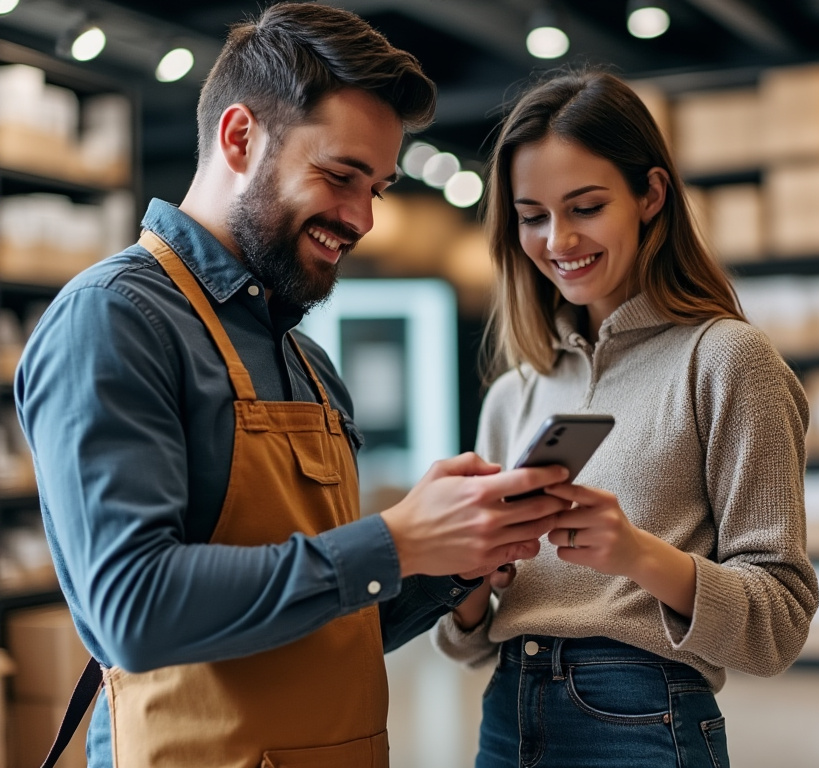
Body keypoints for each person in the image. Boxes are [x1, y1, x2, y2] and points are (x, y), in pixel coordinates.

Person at [14, 5, 571, 767]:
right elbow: (131, 609)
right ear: (240, 137)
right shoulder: (115, 320)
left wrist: (441, 562)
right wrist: (393, 538)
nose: (362, 218)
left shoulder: (309, 363)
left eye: (377, 186)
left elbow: (331, 622)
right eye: (341, 176)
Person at [431, 68, 819, 768]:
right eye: (532, 216)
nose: (558, 240)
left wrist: (636, 554)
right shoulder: (514, 393)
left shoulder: (728, 359)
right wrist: (467, 579)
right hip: (506, 715)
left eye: (585, 206)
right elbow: (469, 637)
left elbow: (779, 622)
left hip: (640, 718)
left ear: (650, 195)